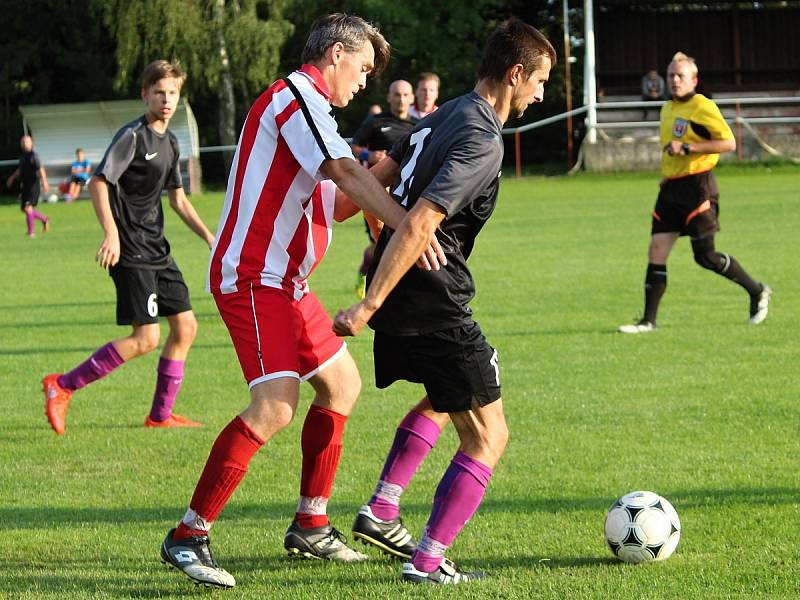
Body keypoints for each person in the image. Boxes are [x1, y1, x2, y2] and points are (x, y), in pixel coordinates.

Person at [158, 14, 443, 590]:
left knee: (342, 386)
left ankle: (311, 523)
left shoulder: (313, 116)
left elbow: (338, 200)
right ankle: (189, 535)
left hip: (286, 285)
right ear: (336, 55)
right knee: (275, 406)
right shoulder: (294, 99)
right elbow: (341, 172)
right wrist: (410, 226)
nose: (364, 81)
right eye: (362, 68)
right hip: (254, 277)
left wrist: (408, 150)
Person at [334, 18, 555, 584]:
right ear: (516, 73)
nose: (541, 94)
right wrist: (366, 304)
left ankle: (384, 507)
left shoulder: (446, 113)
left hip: (409, 297)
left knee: (444, 397)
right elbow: (422, 221)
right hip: (432, 298)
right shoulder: (482, 139)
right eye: (541, 81)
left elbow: (369, 183)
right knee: (489, 434)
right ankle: (428, 561)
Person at [41, 60, 216, 434]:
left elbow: (179, 200)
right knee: (146, 338)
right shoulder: (132, 136)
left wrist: (209, 237)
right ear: (145, 95)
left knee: (185, 327)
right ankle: (62, 385)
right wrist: (112, 234)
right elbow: (98, 183)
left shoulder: (170, 142)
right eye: (159, 92)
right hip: (131, 249)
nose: (166, 99)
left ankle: (160, 416)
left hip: (158, 249)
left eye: (172, 93)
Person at [619, 52, 771, 334]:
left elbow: (728, 143)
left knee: (705, 257)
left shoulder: (703, 106)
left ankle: (757, 290)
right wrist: (668, 176)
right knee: (657, 249)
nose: (674, 80)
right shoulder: (666, 108)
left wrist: (688, 149)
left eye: (680, 76)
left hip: (698, 187)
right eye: (671, 76)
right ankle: (648, 322)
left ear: (694, 80)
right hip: (671, 188)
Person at [350, 80, 417, 298]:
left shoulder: (418, 126)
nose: (401, 99)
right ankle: (373, 279)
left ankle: (389, 282)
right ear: (389, 98)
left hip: (406, 192)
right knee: (382, 240)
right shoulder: (375, 122)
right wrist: (370, 156)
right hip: (376, 192)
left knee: (394, 238)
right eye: (397, 94)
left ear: (412, 98)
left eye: (405, 95)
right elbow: (354, 146)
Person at [6, 135, 51, 238]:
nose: (25, 143)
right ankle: (44, 219)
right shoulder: (23, 156)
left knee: (28, 208)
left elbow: (40, 169)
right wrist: (12, 177)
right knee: (25, 209)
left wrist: (44, 182)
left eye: (27, 141)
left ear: (31, 143)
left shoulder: (34, 155)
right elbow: (20, 170)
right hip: (25, 185)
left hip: (33, 185)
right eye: (23, 141)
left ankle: (31, 232)